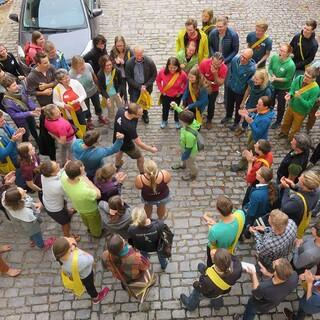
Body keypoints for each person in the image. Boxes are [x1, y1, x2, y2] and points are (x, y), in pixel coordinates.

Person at [52, 237, 109, 303]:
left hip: (73, 273)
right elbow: (91, 259)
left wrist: (72, 246)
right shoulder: (79, 260)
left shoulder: (55, 252)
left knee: (86, 284)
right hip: (85, 275)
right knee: (90, 286)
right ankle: (96, 298)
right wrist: (74, 245)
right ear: (67, 250)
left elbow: (71, 240)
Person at [26, 52, 56, 160]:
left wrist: (48, 85)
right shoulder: (32, 77)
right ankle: (47, 149)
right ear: (38, 64)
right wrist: (42, 93)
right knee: (46, 129)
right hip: (45, 105)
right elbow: (29, 92)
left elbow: (57, 80)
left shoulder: (51, 68)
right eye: (45, 63)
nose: (48, 64)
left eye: (47, 61)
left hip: (57, 102)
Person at [61, 160, 102, 238]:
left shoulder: (63, 177)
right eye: (83, 168)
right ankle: (96, 234)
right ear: (77, 176)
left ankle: (89, 228)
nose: (84, 167)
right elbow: (98, 194)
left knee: (85, 219)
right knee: (94, 223)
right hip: (90, 209)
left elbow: (64, 169)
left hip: (78, 206)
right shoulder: (84, 189)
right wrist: (87, 181)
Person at [232, 97, 274, 172]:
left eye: (259, 105)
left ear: (266, 107)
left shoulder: (266, 119)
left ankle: (241, 165)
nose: (257, 105)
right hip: (253, 135)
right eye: (257, 103)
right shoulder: (261, 111)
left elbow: (258, 132)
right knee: (249, 147)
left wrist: (250, 122)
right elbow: (255, 116)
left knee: (249, 150)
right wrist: (248, 114)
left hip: (258, 139)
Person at [40, 160, 79, 240]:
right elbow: (69, 193)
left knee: (64, 203)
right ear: (51, 173)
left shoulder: (43, 175)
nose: (58, 164)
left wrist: (63, 169)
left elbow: (57, 174)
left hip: (51, 201)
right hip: (55, 210)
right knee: (65, 223)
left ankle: (68, 212)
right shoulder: (57, 186)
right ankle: (68, 236)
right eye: (57, 166)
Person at [113, 103, 157, 174]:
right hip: (127, 144)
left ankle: (117, 166)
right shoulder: (129, 127)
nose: (142, 114)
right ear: (133, 114)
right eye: (139, 114)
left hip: (117, 138)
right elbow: (139, 143)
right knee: (140, 157)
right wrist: (151, 149)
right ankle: (142, 173)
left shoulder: (121, 110)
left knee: (120, 151)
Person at [203, 195, 245, 267]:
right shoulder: (240, 214)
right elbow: (227, 227)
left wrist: (210, 226)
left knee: (210, 264)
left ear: (218, 210)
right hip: (230, 248)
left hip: (219, 253)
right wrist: (216, 224)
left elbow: (212, 243)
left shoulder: (214, 230)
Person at [279, 66, 319, 141]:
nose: (305, 78)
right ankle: (283, 133)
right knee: (286, 122)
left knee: (295, 128)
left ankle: (291, 140)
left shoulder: (315, 89)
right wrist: (290, 95)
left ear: (313, 79)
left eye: (308, 77)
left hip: (301, 112)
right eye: (305, 74)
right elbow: (292, 89)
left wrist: (300, 98)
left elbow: (309, 105)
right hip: (291, 106)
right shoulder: (299, 78)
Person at [208, 16, 239, 105]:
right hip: (215, 60)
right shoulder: (213, 33)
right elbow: (210, 45)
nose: (219, 29)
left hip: (226, 61)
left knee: (226, 82)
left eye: (221, 27)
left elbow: (235, 50)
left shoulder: (233, 35)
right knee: (214, 77)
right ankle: (215, 95)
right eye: (217, 26)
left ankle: (226, 99)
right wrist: (214, 57)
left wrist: (224, 60)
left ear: (226, 26)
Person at [280, 170, 320, 239]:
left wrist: (286, 189)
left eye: (300, 178)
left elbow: (284, 208)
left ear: (303, 185)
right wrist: (293, 186)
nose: (298, 178)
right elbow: (306, 191)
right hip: (303, 213)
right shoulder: (316, 190)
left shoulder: (297, 201)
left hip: (294, 220)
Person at [1, 76, 41, 145]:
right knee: (25, 134)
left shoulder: (21, 89)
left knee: (34, 129)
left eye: (16, 84)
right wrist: (29, 113)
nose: (17, 86)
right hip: (21, 120)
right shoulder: (7, 101)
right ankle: (26, 148)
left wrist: (34, 108)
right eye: (13, 86)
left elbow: (28, 99)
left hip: (30, 114)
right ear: (7, 88)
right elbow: (14, 115)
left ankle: (39, 143)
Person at [69, 55, 107, 127]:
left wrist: (98, 86)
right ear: (74, 66)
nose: (83, 67)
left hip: (93, 89)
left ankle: (100, 115)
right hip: (82, 95)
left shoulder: (88, 66)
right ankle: (89, 119)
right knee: (86, 108)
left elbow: (93, 76)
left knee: (97, 104)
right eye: (80, 66)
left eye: (83, 64)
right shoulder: (71, 74)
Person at [223, 49, 256, 130]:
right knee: (229, 104)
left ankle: (236, 123)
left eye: (245, 58)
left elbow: (249, 86)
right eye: (242, 56)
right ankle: (228, 116)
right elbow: (230, 71)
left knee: (239, 108)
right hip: (231, 87)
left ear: (249, 59)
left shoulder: (251, 69)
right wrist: (229, 82)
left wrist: (243, 101)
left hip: (240, 92)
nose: (242, 59)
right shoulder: (235, 60)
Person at [125, 46, 157, 124]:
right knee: (134, 103)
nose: (139, 57)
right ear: (134, 53)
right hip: (134, 87)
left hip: (146, 87)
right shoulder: (129, 63)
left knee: (144, 102)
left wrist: (145, 86)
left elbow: (154, 75)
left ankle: (144, 114)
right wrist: (139, 87)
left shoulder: (149, 62)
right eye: (137, 55)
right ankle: (133, 116)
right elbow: (128, 78)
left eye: (140, 54)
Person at [237, 69, 273, 136]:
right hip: (251, 102)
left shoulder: (267, 91)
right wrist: (243, 102)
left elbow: (266, 106)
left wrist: (253, 110)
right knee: (246, 116)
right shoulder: (252, 81)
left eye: (257, 79)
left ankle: (253, 134)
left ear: (263, 81)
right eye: (254, 78)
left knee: (255, 122)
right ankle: (244, 128)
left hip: (260, 109)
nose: (254, 80)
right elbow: (248, 90)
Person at [243, 167, 277, 237]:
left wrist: (247, 224)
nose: (256, 172)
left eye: (258, 173)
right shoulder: (273, 187)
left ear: (262, 179)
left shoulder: (256, 195)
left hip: (257, 216)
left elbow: (251, 213)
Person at [268, 44, 296, 129]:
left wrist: (275, 79)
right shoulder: (274, 58)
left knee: (281, 105)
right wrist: (272, 76)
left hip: (283, 88)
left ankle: (278, 121)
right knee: (270, 101)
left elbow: (287, 79)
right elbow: (270, 68)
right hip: (273, 85)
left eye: (283, 51)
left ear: (288, 53)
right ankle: (269, 114)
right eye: (280, 50)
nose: (281, 52)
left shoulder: (291, 65)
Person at [53, 68, 88, 134]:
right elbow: (55, 101)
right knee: (74, 127)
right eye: (64, 79)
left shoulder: (75, 82)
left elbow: (84, 94)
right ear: (60, 80)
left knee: (83, 123)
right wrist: (64, 105)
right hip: (68, 113)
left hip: (79, 109)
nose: (67, 79)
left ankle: (85, 136)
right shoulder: (56, 89)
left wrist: (78, 101)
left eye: (67, 77)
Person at [171, 104, 200, 181]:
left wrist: (184, 156)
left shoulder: (189, 135)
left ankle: (193, 174)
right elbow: (182, 112)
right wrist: (176, 107)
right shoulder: (192, 121)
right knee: (184, 159)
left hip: (190, 152)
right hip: (184, 147)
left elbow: (188, 149)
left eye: (180, 119)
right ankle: (183, 165)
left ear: (185, 122)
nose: (179, 120)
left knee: (191, 163)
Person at [198, 52, 228, 129]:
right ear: (211, 59)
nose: (215, 66)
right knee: (200, 102)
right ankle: (198, 115)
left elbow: (220, 83)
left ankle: (209, 120)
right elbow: (199, 75)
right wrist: (206, 83)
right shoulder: (204, 63)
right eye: (214, 63)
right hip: (203, 86)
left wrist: (215, 74)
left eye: (218, 64)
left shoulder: (224, 68)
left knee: (211, 104)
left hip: (214, 89)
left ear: (222, 63)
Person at [156, 57, 188, 129]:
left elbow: (186, 83)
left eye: (174, 67)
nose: (172, 70)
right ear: (167, 66)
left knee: (176, 109)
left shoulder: (182, 74)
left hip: (177, 95)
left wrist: (181, 92)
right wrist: (161, 90)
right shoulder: (162, 72)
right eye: (170, 67)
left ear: (178, 66)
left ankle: (176, 121)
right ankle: (164, 120)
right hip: (166, 95)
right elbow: (158, 81)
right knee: (165, 108)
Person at [109, 35, 134, 104]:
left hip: (129, 73)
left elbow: (133, 62)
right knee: (123, 88)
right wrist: (116, 63)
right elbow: (110, 62)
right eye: (118, 46)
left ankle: (132, 102)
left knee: (131, 88)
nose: (120, 48)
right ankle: (125, 101)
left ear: (124, 44)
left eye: (121, 45)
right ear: (115, 45)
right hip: (120, 74)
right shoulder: (113, 51)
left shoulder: (129, 51)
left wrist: (125, 62)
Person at [97, 55, 123, 120]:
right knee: (111, 110)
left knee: (121, 108)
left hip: (117, 93)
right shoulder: (100, 74)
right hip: (108, 95)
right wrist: (107, 98)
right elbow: (102, 88)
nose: (109, 67)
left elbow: (121, 83)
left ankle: (121, 119)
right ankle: (112, 121)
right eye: (106, 65)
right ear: (103, 66)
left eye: (110, 64)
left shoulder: (117, 71)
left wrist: (119, 92)